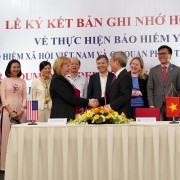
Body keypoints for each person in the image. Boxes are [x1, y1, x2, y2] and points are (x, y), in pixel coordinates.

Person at [0, 59, 26, 170]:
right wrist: (10, 112)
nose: (16, 69)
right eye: (14, 67)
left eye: (18, 67)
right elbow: (3, 97)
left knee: (20, 138)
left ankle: (19, 165)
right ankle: (5, 166)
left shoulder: (22, 81)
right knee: (6, 138)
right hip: (7, 112)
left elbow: (25, 97)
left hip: (21, 113)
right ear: (9, 68)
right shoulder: (4, 81)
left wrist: (21, 110)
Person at [147, 45, 180, 121]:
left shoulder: (177, 70)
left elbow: (179, 88)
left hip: (173, 105)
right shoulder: (153, 70)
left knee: (173, 129)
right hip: (157, 105)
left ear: (170, 55)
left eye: (164, 53)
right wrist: (151, 105)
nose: (161, 56)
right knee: (158, 130)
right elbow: (150, 88)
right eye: (159, 54)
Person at [98, 51, 132, 118]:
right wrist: (98, 101)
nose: (109, 64)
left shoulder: (125, 76)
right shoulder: (117, 76)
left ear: (116, 62)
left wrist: (110, 106)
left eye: (110, 61)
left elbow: (125, 96)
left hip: (121, 116)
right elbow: (112, 96)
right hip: (116, 115)